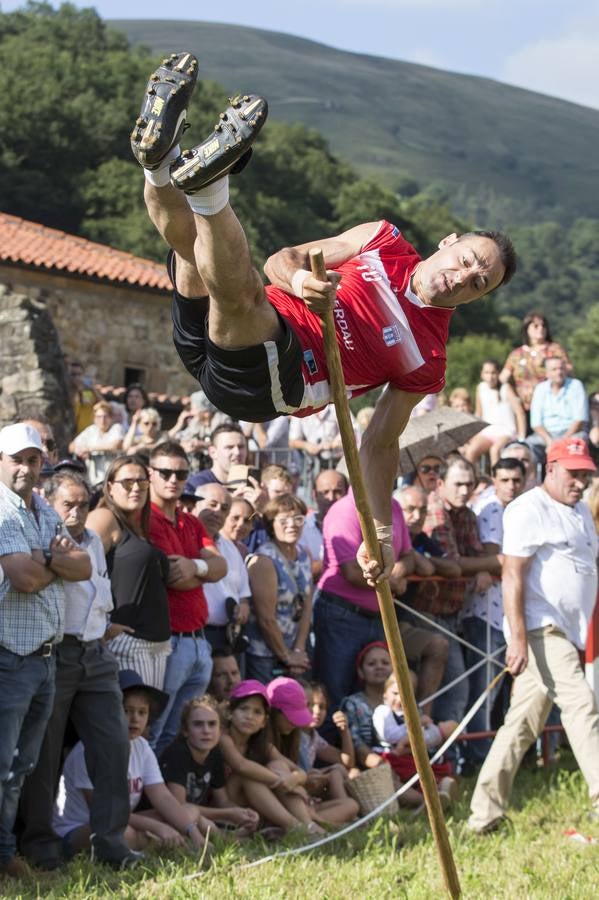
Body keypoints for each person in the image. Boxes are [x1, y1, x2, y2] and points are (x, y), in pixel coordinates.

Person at [131, 50, 516, 585]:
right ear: (449, 242)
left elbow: (379, 443)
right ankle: (161, 158)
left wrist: (378, 531)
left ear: (477, 298)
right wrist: (302, 282)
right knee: (194, 256)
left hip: (278, 380)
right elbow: (279, 262)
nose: (465, 275)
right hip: (245, 328)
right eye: (468, 260)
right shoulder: (379, 238)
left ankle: (206, 187)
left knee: (234, 293)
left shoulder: (429, 356)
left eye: (480, 282)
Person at [468, 437, 599, 833]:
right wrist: (519, 638)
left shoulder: (579, 511)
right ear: (551, 468)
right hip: (543, 628)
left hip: (567, 631)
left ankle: (483, 814)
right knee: (581, 707)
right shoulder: (529, 507)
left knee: (520, 725)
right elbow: (512, 573)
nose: (580, 481)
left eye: (586, 474)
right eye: (573, 473)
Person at [19, 471, 131, 871]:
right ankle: (39, 843)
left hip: (95, 653)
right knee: (44, 754)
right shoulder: (37, 538)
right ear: (48, 501)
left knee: (115, 746)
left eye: (84, 503)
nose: (77, 510)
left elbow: (94, 587)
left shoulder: (92, 543)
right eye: (69, 502)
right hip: (56, 651)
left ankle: (111, 842)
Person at [0, 424, 91, 880]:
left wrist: (46, 560)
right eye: (17, 458)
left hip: (43, 656)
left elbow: (85, 564)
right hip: (8, 655)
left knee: (20, 766)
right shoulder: (1, 511)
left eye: (33, 460)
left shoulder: (44, 511)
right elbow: (23, 578)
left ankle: (3, 856)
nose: (25, 467)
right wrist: (53, 564)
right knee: (2, 765)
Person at [53, 670, 206, 855]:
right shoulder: (88, 749)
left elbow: (163, 797)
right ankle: (156, 843)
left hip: (122, 821)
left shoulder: (142, 746)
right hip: (80, 829)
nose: (135, 719)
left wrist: (193, 831)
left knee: (186, 811)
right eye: (126, 711)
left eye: (142, 712)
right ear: (110, 710)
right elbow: (104, 811)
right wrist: (159, 828)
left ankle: (173, 840)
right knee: (123, 834)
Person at [146, 442, 226, 755]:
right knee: (154, 731)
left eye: (180, 473)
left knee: (178, 737)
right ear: (150, 473)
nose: (173, 479)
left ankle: (167, 799)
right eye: (165, 472)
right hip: (169, 642)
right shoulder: (147, 519)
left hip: (198, 641)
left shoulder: (191, 521)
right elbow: (173, 576)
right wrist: (201, 569)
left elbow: (220, 567)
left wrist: (195, 565)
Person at [412, 457, 502, 730]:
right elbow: (453, 564)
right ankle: (441, 755)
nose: (464, 490)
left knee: (448, 690)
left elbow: (472, 556)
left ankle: (446, 756)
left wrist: (480, 566)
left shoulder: (467, 514)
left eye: (470, 484)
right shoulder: (435, 509)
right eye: (458, 484)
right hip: (426, 612)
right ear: (440, 484)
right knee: (455, 690)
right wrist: (499, 562)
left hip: (451, 613)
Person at [460, 458, 525, 772]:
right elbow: (492, 555)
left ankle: (493, 755)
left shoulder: (521, 509)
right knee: (483, 689)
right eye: (504, 479)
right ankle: (477, 756)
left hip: (508, 612)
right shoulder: (491, 509)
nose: (511, 485)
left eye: (516, 479)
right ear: (494, 481)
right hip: (486, 611)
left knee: (498, 688)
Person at [87, 456, 172, 688]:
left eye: (142, 482)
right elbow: (81, 571)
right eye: (127, 482)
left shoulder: (139, 527)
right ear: (110, 487)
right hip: (127, 644)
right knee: (127, 723)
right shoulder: (104, 518)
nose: (136, 488)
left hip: (156, 646)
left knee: (148, 724)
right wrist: (103, 626)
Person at [219, 680, 323, 834]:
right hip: (227, 804)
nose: (249, 716)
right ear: (230, 713)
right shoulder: (224, 738)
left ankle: (309, 825)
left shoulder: (263, 745)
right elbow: (241, 766)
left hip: (255, 803)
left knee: (278, 766)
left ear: (264, 722)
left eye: (257, 712)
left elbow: (300, 772)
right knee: (249, 775)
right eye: (243, 709)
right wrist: (280, 780)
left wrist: (293, 779)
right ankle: (296, 827)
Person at [160, 695, 259, 837]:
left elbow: (222, 800)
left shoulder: (214, 752)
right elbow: (180, 807)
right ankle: (229, 838)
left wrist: (244, 814)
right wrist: (229, 814)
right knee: (203, 822)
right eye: (198, 724)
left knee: (208, 821)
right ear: (185, 731)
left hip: (196, 815)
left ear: (221, 730)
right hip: (171, 818)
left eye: (212, 724)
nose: (206, 731)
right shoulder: (177, 754)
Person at [267, 677, 358, 825]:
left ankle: (314, 822)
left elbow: (345, 761)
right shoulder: (269, 741)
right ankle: (310, 825)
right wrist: (303, 779)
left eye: (321, 706)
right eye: (308, 705)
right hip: (285, 802)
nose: (314, 711)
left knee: (350, 802)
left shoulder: (307, 736)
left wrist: (344, 732)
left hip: (303, 798)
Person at [245, 494, 312, 683]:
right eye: (283, 520)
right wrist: (286, 656)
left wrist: (298, 650)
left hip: (296, 653)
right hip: (265, 655)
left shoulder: (304, 555)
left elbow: (306, 607)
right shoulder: (264, 560)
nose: (292, 525)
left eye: (298, 519)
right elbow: (266, 618)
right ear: (271, 524)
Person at [372, 673, 458, 807]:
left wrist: (435, 731)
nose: (400, 699)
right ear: (385, 694)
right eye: (395, 693)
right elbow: (389, 734)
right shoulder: (382, 711)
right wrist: (415, 724)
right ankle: (428, 799)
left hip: (410, 754)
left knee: (427, 767)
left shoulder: (412, 713)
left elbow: (422, 737)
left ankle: (439, 791)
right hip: (391, 756)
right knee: (411, 773)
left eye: (405, 695)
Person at [193, 483, 251, 653]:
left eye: (224, 508)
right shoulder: (184, 539)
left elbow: (243, 593)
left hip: (227, 635)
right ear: (196, 504)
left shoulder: (231, 548)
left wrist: (244, 606)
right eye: (212, 504)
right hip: (195, 634)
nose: (218, 512)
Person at [499, 311, 572, 413]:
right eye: (536, 326)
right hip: (523, 408)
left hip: (549, 406)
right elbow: (503, 377)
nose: (541, 328)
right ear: (526, 329)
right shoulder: (517, 354)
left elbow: (569, 370)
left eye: (543, 325)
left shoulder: (555, 349)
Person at [465, 359, 526, 465]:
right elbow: (478, 413)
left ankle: (497, 480)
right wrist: (473, 432)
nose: (490, 376)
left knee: (495, 451)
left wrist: (521, 438)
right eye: (487, 373)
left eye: (493, 373)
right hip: (487, 430)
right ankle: (469, 479)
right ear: (482, 374)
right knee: (471, 450)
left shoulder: (506, 388)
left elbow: (519, 413)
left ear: (498, 373)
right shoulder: (480, 388)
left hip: (506, 431)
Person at [527, 357, 589, 463]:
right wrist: (549, 441)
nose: (559, 372)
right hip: (546, 435)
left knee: (578, 442)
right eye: (554, 369)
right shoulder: (540, 389)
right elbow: (536, 423)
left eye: (561, 368)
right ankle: (532, 479)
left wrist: (561, 442)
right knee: (525, 448)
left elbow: (580, 420)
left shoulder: (576, 386)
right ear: (547, 373)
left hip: (571, 433)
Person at [298, 468, 348, 580]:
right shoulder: (300, 529)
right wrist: (341, 561)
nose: (331, 498)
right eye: (325, 492)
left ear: (347, 493)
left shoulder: (358, 528)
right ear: (315, 495)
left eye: (338, 492)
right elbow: (301, 572)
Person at [71, 401, 125, 487]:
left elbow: (115, 445)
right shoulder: (91, 430)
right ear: (94, 419)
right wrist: (80, 450)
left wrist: (88, 448)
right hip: (93, 480)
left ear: (111, 418)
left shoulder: (116, 428)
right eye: (99, 417)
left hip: (112, 478)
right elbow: (71, 446)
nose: (102, 420)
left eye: (105, 416)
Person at [185, 422, 248, 492]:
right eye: (229, 447)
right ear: (213, 452)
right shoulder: (197, 485)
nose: (237, 452)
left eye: (241, 447)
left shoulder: (253, 483)